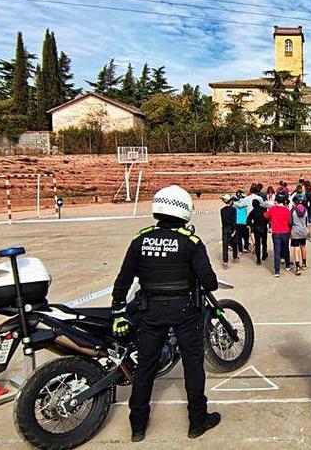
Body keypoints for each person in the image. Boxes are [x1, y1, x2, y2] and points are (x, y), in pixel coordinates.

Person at [111, 185, 221, 441]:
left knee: (145, 367)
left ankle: (137, 426)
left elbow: (123, 280)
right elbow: (210, 282)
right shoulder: (190, 241)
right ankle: (197, 421)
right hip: (185, 311)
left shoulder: (140, 238)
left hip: (150, 311)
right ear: (184, 210)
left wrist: (118, 310)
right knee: (193, 365)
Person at [265, 191, 292, 278]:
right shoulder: (287, 210)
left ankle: (277, 270)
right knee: (286, 249)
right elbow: (289, 222)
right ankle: (287, 265)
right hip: (285, 232)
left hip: (276, 232)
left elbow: (266, 216)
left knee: (277, 251)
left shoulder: (272, 209)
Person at [290, 195, 309, 275]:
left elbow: (290, 222)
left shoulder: (293, 210)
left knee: (296, 248)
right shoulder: (305, 210)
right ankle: (304, 263)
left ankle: (297, 266)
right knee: (303, 246)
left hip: (295, 231)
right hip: (303, 230)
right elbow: (306, 221)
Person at [247, 198, 269, 266]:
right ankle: (264, 254)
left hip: (257, 228)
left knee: (257, 243)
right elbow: (267, 218)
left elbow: (248, 221)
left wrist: (252, 225)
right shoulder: (264, 210)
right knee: (264, 242)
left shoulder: (253, 211)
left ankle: (258, 259)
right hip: (264, 227)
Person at [219, 194, 238, 269]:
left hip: (224, 228)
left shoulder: (222, 210)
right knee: (234, 243)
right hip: (231, 228)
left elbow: (223, 220)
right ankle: (235, 257)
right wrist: (234, 229)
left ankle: (225, 261)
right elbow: (234, 220)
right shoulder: (233, 209)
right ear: (230, 201)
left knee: (225, 245)